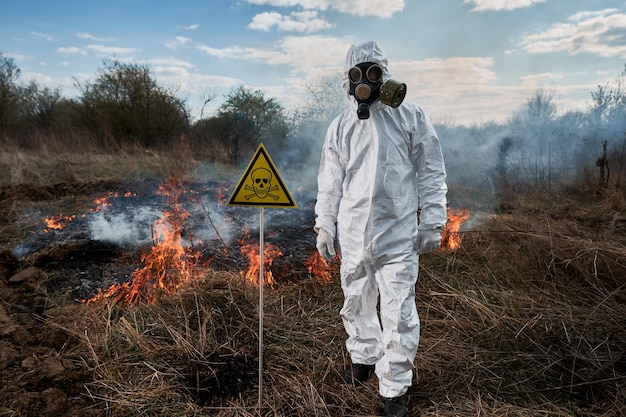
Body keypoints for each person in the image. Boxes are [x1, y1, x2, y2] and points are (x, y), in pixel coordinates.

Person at [314, 40, 448, 417]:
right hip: (353, 233)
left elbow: (431, 170)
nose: (366, 82)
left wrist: (433, 219)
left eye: (373, 73)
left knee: (398, 311)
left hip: (398, 234)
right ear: (348, 80)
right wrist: (324, 224)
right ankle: (364, 359)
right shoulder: (341, 126)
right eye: (358, 74)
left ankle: (394, 388)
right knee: (355, 301)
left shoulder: (410, 117)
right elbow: (330, 180)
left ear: (384, 76)